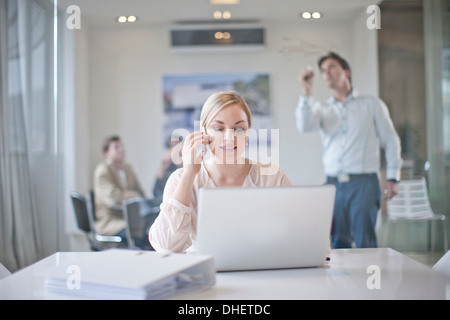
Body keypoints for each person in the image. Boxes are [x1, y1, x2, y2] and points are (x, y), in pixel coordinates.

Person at [149, 91, 292, 253]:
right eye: (218, 128)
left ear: (248, 132)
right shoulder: (179, 179)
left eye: (239, 129)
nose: (230, 137)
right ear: (203, 132)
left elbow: (298, 233)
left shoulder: (272, 177)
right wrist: (189, 174)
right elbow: (165, 247)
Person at [295, 51, 402, 249]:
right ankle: (338, 281)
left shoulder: (371, 104)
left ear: (346, 71)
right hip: (332, 184)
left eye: (331, 67)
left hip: (364, 183)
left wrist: (393, 176)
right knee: (337, 243)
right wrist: (306, 89)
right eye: (323, 70)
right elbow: (304, 126)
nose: (326, 73)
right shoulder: (321, 108)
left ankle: (370, 280)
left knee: (365, 242)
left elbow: (390, 139)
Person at [93, 135, 150, 248]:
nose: (121, 149)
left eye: (122, 146)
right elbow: (114, 199)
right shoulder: (103, 171)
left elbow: (141, 193)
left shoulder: (127, 167)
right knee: (142, 236)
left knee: (152, 230)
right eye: (116, 147)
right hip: (111, 221)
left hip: (130, 219)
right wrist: (134, 196)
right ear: (107, 153)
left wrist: (135, 196)